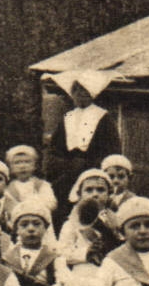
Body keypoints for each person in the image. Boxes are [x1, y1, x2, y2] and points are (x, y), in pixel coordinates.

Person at [41, 71, 122, 214]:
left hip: (92, 173)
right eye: (75, 90)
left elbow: (111, 152)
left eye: (83, 90)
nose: (79, 94)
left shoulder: (103, 117)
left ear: (91, 93)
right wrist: (64, 164)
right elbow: (54, 148)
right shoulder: (68, 117)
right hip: (66, 174)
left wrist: (86, 164)